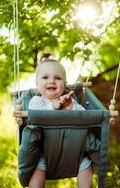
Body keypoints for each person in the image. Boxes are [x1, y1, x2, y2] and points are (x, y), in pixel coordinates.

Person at [28, 56, 93, 188]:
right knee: (35, 175)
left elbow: (83, 117)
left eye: (57, 78)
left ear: (64, 83)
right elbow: (34, 116)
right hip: (44, 153)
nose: (51, 81)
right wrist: (53, 106)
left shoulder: (69, 100)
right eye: (45, 77)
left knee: (86, 169)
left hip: (74, 152)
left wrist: (69, 107)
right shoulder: (36, 101)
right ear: (37, 83)